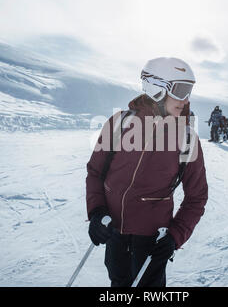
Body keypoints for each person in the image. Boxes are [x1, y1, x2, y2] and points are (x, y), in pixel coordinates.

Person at [86, 57, 208, 287]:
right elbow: (95, 173)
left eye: (189, 91)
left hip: (153, 241)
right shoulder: (119, 124)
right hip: (114, 231)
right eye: (180, 90)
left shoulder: (186, 138)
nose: (186, 99)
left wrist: (174, 236)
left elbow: (197, 196)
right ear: (157, 88)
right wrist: (96, 212)